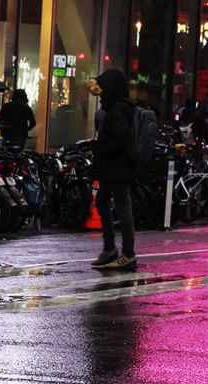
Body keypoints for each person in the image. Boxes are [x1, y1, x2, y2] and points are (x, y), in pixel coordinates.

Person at [89, 69, 138, 272]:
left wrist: (100, 148)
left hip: (118, 166)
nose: (100, 93)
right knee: (103, 201)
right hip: (114, 166)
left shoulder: (118, 108)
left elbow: (120, 138)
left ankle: (127, 254)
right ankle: (110, 248)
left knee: (122, 207)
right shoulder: (117, 106)